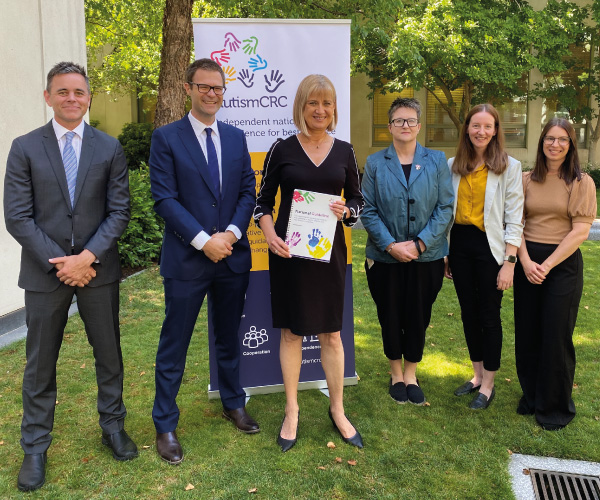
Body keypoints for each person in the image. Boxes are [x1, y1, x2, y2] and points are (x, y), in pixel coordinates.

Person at [3, 62, 135, 492]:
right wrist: (63, 262)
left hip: (99, 271)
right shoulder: (24, 148)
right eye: (63, 92)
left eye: (79, 92)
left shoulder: (109, 148)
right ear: (48, 97)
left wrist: (88, 257)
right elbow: (17, 217)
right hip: (46, 274)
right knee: (40, 364)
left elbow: (119, 211)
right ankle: (35, 447)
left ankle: (113, 426)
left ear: (89, 96)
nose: (72, 99)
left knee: (108, 353)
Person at [149, 58, 258, 464]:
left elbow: (248, 190)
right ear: (188, 88)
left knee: (229, 337)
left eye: (218, 88)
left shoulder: (235, 136)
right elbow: (164, 198)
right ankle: (165, 423)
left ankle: (233, 402)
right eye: (204, 87)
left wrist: (229, 234)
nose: (212, 94)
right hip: (187, 260)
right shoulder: (166, 137)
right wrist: (201, 240)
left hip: (231, 257)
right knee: (174, 343)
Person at [254, 74, 364, 452]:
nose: (320, 110)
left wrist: (345, 209)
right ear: (301, 107)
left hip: (328, 255)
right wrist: (269, 236)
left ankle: (338, 409)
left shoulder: (345, 151)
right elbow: (262, 204)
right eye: (313, 103)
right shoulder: (281, 149)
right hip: (289, 253)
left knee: (332, 334)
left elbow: (358, 204)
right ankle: (292, 410)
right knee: (291, 333)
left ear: (334, 109)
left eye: (327, 103)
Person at [361, 97, 454, 406]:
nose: (405, 125)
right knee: (389, 314)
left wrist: (419, 244)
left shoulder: (437, 160)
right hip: (385, 257)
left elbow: (445, 208)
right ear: (389, 126)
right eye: (398, 120)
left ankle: (411, 372)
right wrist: (390, 245)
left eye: (410, 120)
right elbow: (369, 210)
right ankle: (395, 373)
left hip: (426, 257)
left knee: (417, 314)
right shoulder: (375, 163)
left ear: (419, 126)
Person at [514, 118, 596, 430]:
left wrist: (546, 266)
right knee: (528, 331)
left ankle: (555, 406)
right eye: (550, 138)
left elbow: (580, 232)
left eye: (562, 139)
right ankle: (532, 396)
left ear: (571, 144)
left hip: (561, 264)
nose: (555, 144)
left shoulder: (580, 182)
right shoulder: (526, 179)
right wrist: (524, 260)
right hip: (527, 261)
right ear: (542, 142)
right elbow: (515, 222)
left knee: (556, 334)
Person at [445, 103, 524, 410]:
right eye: (475, 125)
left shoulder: (509, 166)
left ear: (495, 131)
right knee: (468, 311)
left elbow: (515, 217)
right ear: (467, 129)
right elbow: (446, 213)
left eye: (487, 126)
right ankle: (476, 375)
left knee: (489, 316)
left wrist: (510, 261)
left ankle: (489, 384)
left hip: (490, 247)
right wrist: (446, 254)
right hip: (460, 246)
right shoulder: (454, 164)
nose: (481, 131)